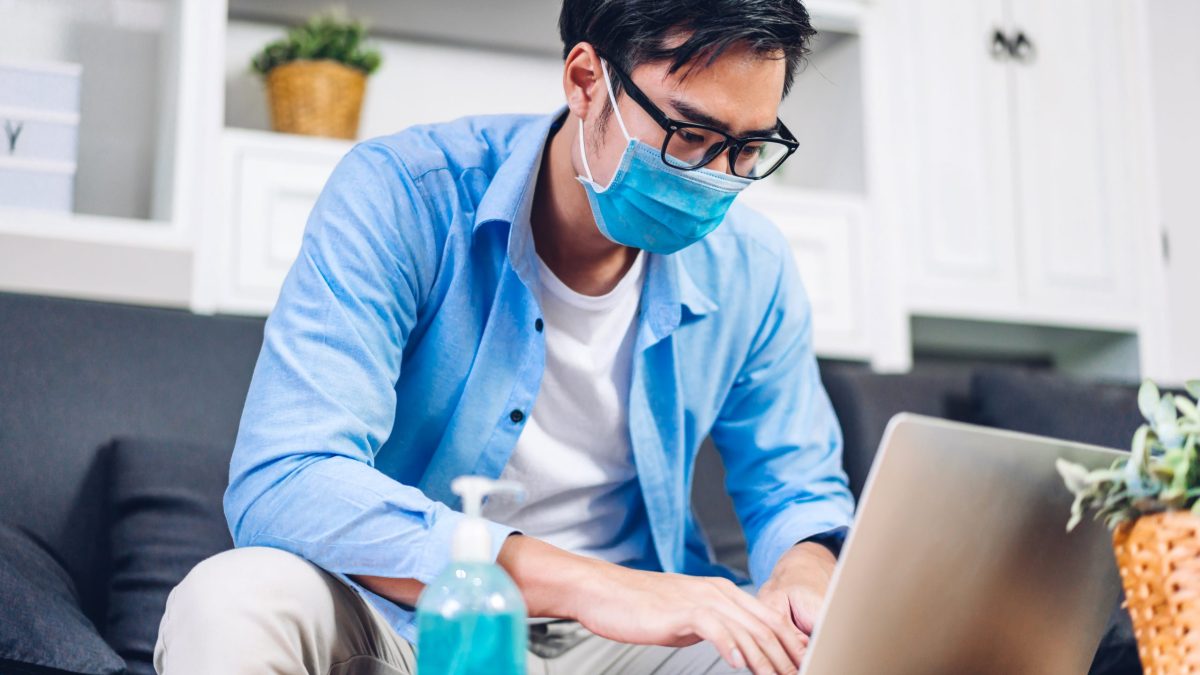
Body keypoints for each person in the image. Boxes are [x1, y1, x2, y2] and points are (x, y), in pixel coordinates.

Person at [154, 1, 853, 673]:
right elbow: (287, 478)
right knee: (231, 600)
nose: (715, 180)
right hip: (417, 621)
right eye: (689, 137)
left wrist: (804, 570)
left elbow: (797, 489)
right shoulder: (404, 195)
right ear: (586, 80)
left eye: (745, 148)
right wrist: (597, 586)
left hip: (642, 644)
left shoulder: (753, 267)